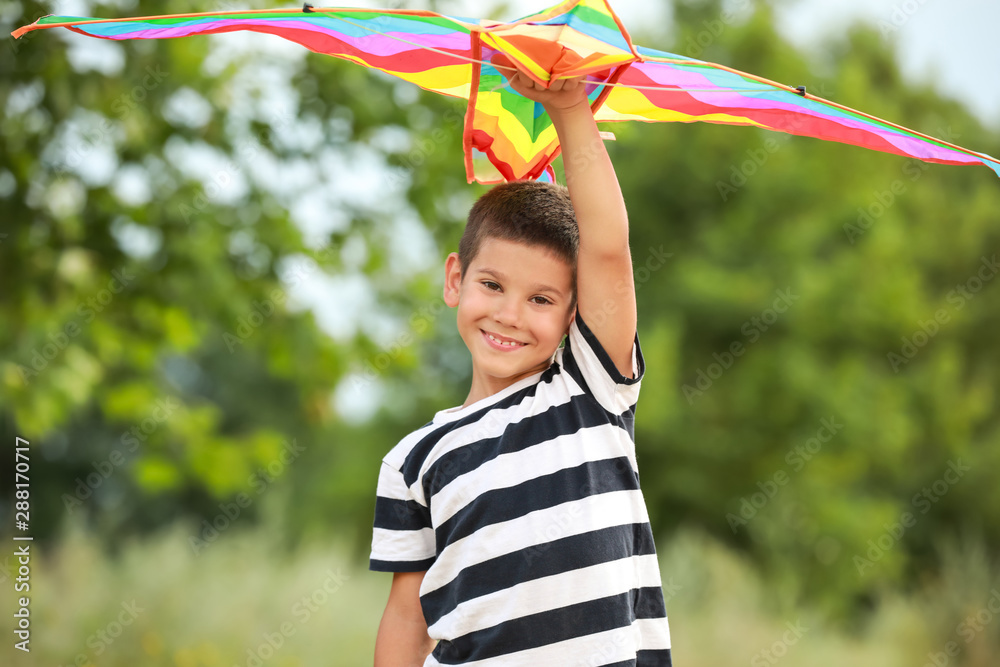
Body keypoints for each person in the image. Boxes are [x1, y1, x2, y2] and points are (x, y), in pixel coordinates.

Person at [370, 53, 673, 666]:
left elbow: (608, 247)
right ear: (455, 279)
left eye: (540, 299)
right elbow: (408, 615)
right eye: (492, 286)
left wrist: (568, 108)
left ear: (573, 310)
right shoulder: (413, 460)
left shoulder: (589, 390)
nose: (509, 314)